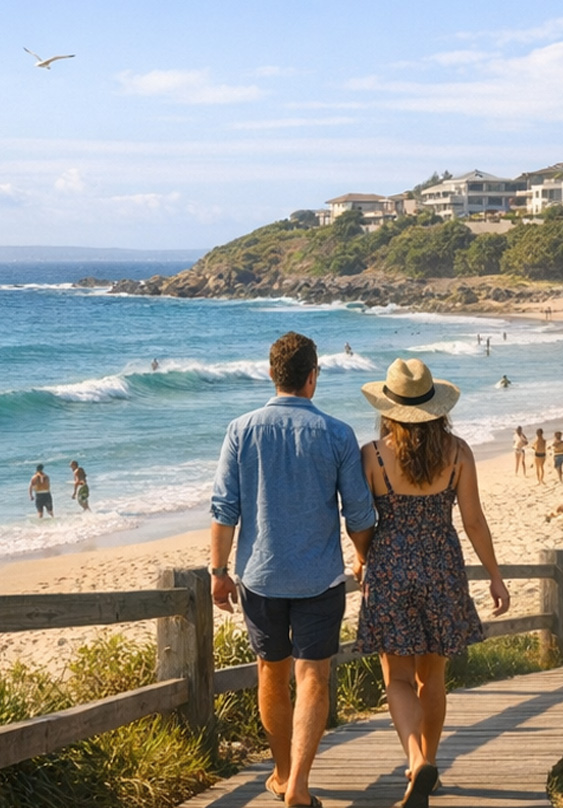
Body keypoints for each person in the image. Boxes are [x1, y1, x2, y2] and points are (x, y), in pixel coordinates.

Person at [209, 332, 376, 808]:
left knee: (270, 673)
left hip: (259, 577)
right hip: (319, 577)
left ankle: (282, 774)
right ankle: (299, 784)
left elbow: (224, 511)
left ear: (270, 374)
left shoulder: (240, 430)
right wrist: (363, 556)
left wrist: (218, 570)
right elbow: (358, 515)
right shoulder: (338, 434)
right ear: (312, 377)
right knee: (313, 678)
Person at [354, 358, 509, 808]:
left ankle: (416, 758)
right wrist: (495, 577)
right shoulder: (458, 452)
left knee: (398, 678)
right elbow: (474, 521)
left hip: (390, 567)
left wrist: (365, 557)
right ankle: (431, 765)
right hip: (442, 565)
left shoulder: (373, 455)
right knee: (432, 678)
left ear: (388, 407)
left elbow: (362, 521)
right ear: (435, 407)